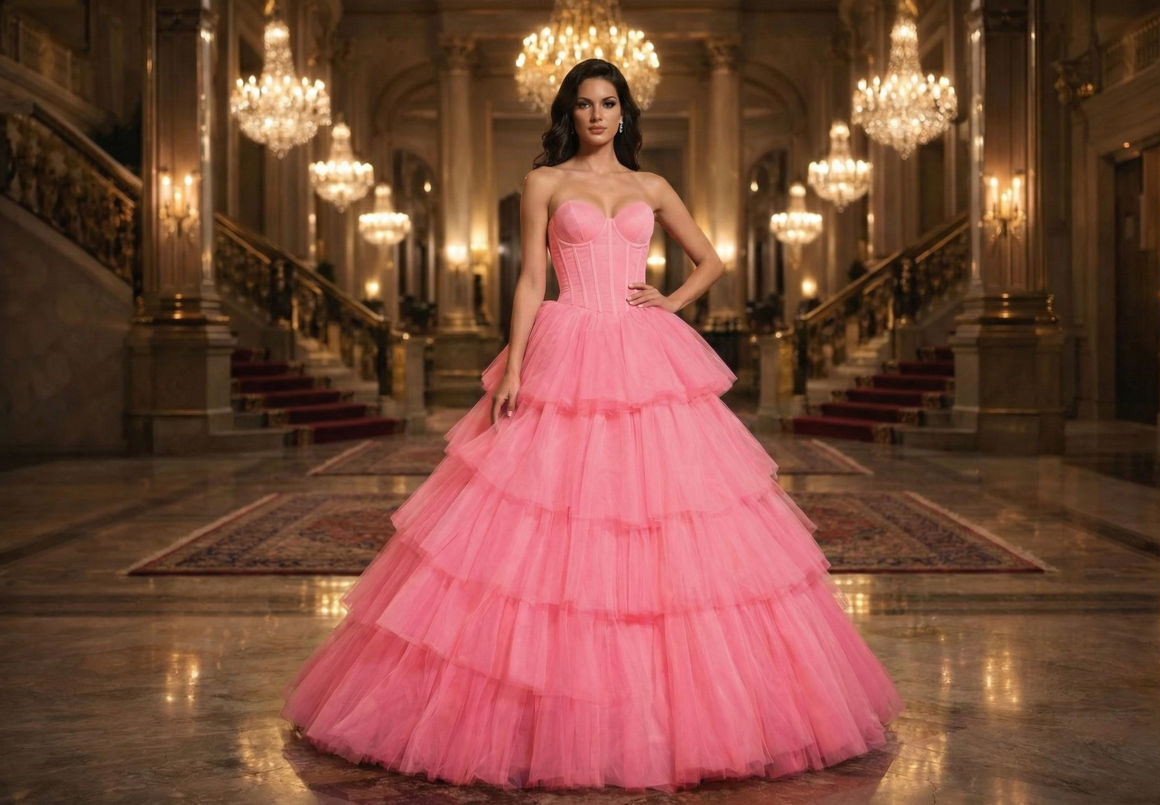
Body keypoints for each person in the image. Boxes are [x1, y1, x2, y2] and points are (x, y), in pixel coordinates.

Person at [280, 58, 901, 791]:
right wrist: (513, 366)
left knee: (661, 517)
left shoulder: (651, 187)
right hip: (565, 341)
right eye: (584, 104)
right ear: (569, 114)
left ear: (625, 112)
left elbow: (710, 259)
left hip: (641, 351)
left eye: (609, 103)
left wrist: (668, 302)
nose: (598, 115)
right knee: (544, 519)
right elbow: (531, 279)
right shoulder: (544, 182)